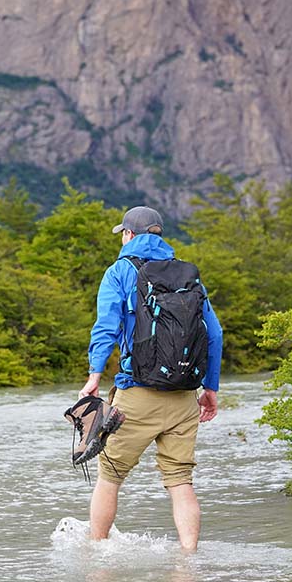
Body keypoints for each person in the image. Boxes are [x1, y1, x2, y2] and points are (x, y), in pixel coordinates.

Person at [79, 205, 223, 550]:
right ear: (158, 235)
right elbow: (214, 333)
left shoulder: (119, 272)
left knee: (110, 475)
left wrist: (94, 375)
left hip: (136, 394)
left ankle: (96, 556)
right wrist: (210, 388)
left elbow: (107, 328)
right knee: (180, 480)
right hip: (184, 394)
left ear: (128, 235)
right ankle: (190, 557)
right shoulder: (187, 274)